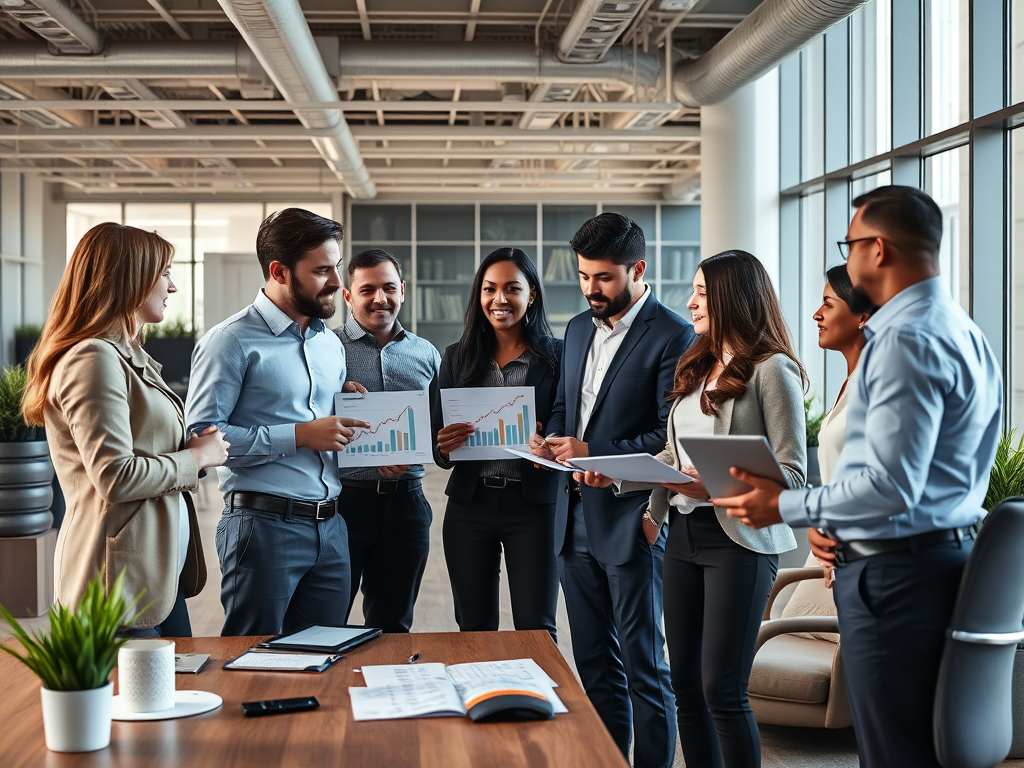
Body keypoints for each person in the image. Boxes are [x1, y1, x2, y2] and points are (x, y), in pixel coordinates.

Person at [716, 186, 1002, 768]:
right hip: (935, 563)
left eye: (848, 246)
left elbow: (891, 486)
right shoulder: (962, 328)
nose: (847, 261)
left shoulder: (904, 338)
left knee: (893, 753)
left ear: (876, 249)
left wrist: (787, 506)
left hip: (896, 577)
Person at [581, 250, 804, 768]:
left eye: (702, 294)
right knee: (684, 684)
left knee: (722, 689)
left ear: (732, 298)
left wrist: (717, 487)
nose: (690, 302)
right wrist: (622, 477)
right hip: (681, 535)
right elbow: (671, 455)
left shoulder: (773, 370)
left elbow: (793, 475)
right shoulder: (698, 360)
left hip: (739, 541)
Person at [529, 213, 694, 768]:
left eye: (602, 278)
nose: (590, 289)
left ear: (636, 269)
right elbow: (564, 409)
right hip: (571, 518)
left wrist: (592, 452)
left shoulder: (673, 334)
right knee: (594, 664)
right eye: (582, 276)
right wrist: (549, 439)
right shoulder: (575, 329)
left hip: (631, 520)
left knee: (645, 667)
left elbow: (669, 433)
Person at [22, 222, 229, 636]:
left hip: (153, 576)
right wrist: (197, 457)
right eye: (165, 273)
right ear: (130, 278)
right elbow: (115, 476)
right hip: (116, 582)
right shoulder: (92, 358)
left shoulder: (125, 353)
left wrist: (184, 447)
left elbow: (138, 446)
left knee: (177, 695)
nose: (172, 287)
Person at [186, 208, 370, 637]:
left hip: (331, 528)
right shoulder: (229, 340)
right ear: (279, 271)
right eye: (322, 270)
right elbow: (203, 437)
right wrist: (301, 436)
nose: (338, 282)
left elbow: (322, 423)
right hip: (261, 529)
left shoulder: (329, 343)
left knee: (324, 659)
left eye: (337, 266)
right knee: (252, 662)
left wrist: (347, 405)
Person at [431, 247, 562, 639]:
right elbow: (441, 451)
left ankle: (535, 702)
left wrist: (550, 445)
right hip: (471, 506)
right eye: (490, 289)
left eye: (512, 288)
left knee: (537, 628)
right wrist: (444, 444)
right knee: (474, 628)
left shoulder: (558, 356)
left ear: (532, 294)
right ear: (479, 295)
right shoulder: (456, 357)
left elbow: (567, 421)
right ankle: (483, 701)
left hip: (535, 507)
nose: (499, 299)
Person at [335, 248, 440, 633]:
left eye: (389, 288)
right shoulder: (325, 349)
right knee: (328, 620)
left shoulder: (425, 353)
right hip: (345, 504)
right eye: (367, 290)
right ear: (348, 296)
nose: (380, 298)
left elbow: (437, 421)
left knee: (393, 626)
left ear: (403, 290)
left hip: (407, 503)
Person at [807, 264, 877, 585]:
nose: (816, 314)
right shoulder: (850, 382)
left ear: (862, 316)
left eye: (828, 304)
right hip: (838, 550)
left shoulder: (877, 386)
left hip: (863, 557)